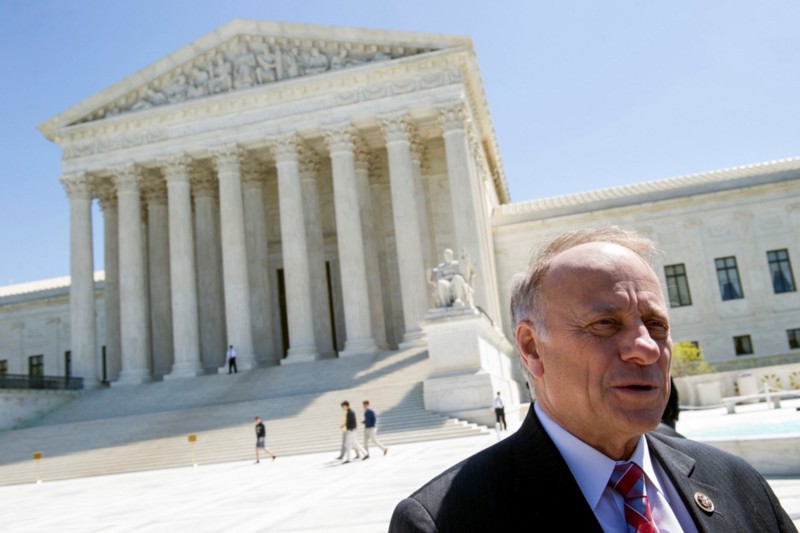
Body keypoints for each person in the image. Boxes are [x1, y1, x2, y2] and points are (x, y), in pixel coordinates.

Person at [389, 226, 796, 532]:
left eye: (655, 324)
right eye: (605, 324)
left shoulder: (739, 482)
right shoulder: (446, 521)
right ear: (531, 348)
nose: (646, 348)